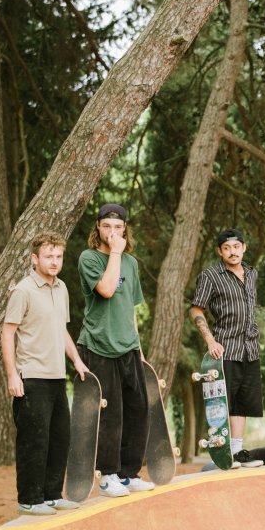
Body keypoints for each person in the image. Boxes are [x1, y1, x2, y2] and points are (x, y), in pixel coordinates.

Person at [2, 232, 89, 515]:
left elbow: (61, 330)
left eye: (58, 256)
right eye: (48, 256)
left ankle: (52, 494)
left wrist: (76, 360)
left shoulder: (61, 288)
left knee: (59, 437)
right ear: (34, 258)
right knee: (34, 441)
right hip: (31, 376)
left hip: (56, 377)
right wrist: (13, 375)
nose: (54, 262)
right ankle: (29, 498)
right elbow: (7, 334)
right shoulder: (23, 290)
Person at [77, 203, 154, 497]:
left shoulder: (131, 264)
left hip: (128, 347)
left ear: (125, 228)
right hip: (98, 345)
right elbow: (107, 290)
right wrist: (116, 253)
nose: (112, 232)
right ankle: (108, 475)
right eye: (107, 227)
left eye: (118, 227)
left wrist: (139, 348)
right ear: (98, 227)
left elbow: (130, 308)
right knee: (111, 415)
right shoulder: (89, 258)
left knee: (139, 410)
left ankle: (128, 473)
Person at [189, 229, 264, 468]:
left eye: (236, 246)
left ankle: (237, 451)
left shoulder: (252, 273)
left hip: (250, 348)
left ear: (244, 247)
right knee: (223, 402)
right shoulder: (210, 275)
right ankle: (221, 452)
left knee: (242, 402)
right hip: (225, 349)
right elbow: (196, 310)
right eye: (226, 248)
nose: (232, 252)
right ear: (220, 251)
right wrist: (210, 340)